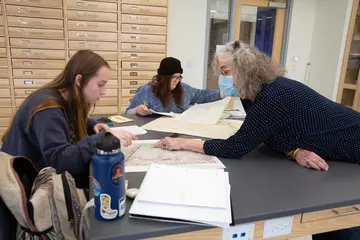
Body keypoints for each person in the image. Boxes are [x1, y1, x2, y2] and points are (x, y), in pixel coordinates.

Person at [153, 41, 360, 240]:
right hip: (335, 157)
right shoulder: (249, 95)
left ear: (245, 69)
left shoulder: (274, 95)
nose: (222, 79)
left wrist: (182, 143)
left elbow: (237, 147)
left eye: (226, 72)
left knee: (342, 223)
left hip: (354, 142)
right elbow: (267, 135)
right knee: (327, 221)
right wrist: (295, 151)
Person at [1, 50, 136, 181]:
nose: (104, 92)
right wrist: (100, 139)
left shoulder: (62, 97)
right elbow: (60, 162)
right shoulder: (47, 110)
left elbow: (67, 118)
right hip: (26, 185)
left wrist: (93, 125)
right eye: (100, 85)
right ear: (79, 80)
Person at [125, 57, 225, 115]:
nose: (177, 81)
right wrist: (136, 110)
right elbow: (127, 113)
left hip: (178, 133)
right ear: (163, 77)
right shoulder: (146, 91)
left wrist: (223, 93)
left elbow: (203, 95)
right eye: (173, 77)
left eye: (179, 77)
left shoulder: (184, 89)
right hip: (154, 133)